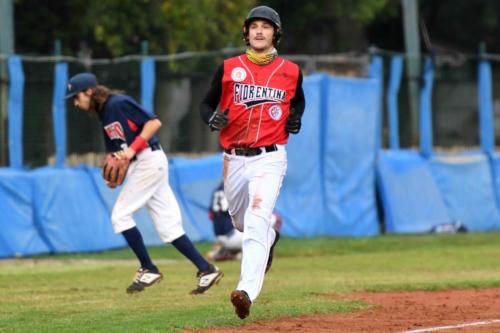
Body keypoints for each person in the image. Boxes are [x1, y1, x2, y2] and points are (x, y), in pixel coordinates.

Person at [66, 72, 223, 295]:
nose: (75, 102)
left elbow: (153, 122)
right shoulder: (103, 114)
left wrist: (130, 152)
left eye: (76, 96)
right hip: (144, 164)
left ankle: (149, 268)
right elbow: (115, 152)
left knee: (120, 216)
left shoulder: (117, 103)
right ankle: (206, 269)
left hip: (149, 160)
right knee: (169, 227)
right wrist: (115, 175)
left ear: (89, 91)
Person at [199, 5, 305, 319]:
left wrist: (295, 117)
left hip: (270, 157)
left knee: (258, 220)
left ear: (276, 33)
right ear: (246, 32)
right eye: (254, 26)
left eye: (266, 26)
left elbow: (298, 100)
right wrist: (212, 118)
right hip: (234, 157)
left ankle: (245, 291)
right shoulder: (229, 67)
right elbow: (205, 104)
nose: (260, 31)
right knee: (241, 224)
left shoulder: (291, 71)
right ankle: (270, 237)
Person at [207, 181, 283, 262]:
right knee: (274, 219)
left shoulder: (216, 190)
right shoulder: (236, 188)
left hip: (219, 237)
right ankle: (250, 253)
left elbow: (210, 216)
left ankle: (228, 251)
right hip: (233, 236)